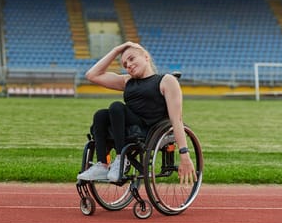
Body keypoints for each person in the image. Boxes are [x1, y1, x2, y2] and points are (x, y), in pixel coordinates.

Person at [77, 41, 197, 185]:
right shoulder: (127, 80)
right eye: (125, 64)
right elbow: (92, 75)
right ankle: (103, 164)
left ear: (146, 57)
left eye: (132, 58)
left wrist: (184, 154)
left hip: (149, 128)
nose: (129, 65)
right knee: (100, 115)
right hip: (128, 124)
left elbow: (176, 119)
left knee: (116, 107)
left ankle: (122, 159)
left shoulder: (166, 80)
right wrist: (117, 49)